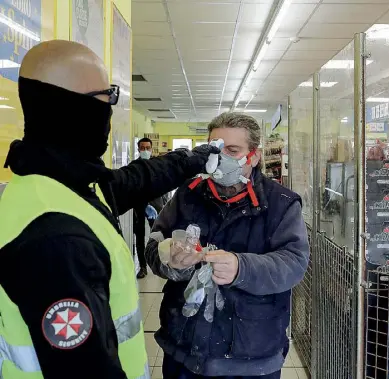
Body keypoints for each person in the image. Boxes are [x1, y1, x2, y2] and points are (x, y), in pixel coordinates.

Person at [0, 40, 219, 379]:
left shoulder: (54, 185)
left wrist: (193, 159)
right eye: (109, 97)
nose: (111, 111)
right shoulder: (57, 239)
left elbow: (136, 179)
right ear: (75, 107)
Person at [145, 112, 310, 379]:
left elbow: (294, 263)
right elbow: (155, 242)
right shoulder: (188, 194)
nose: (221, 158)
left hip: (250, 356)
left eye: (233, 150)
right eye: (215, 149)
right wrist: (170, 260)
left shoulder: (281, 203)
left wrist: (241, 268)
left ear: (254, 156)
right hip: (183, 350)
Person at [133, 137, 169, 279]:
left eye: (148, 148)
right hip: (139, 206)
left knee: (159, 235)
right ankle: (142, 267)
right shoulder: (134, 166)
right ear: (138, 149)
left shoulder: (157, 164)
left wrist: (165, 203)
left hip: (156, 204)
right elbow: (132, 187)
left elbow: (164, 184)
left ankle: (162, 263)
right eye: (142, 148)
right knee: (139, 236)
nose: (145, 150)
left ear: (152, 148)